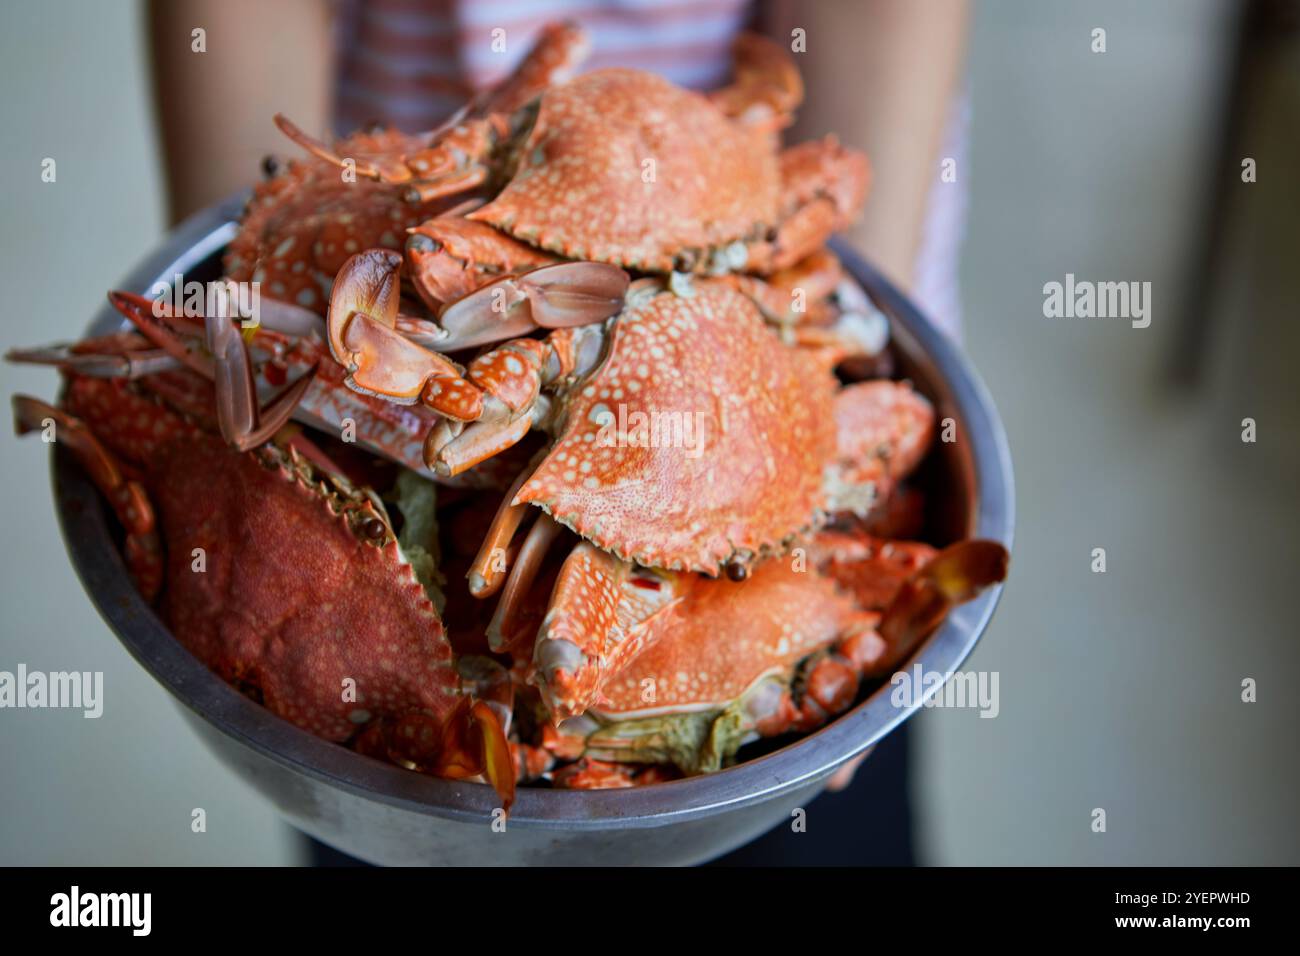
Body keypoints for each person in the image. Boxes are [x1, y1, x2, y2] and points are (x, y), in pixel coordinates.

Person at [148, 0, 970, 865]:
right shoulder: (459, 263)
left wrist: (833, 323)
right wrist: (237, 303)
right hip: (445, 203)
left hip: (760, 267)